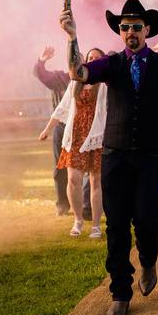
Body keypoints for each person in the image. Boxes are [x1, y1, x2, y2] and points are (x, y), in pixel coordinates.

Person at [61, 0, 158, 315]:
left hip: (149, 157)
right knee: (116, 226)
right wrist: (72, 37)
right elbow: (77, 72)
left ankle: (148, 261)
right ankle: (120, 291)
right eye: (124, 27)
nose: (130, 32)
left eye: (136, 26)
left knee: (147, 222)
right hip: (114, 157)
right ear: (119, 31)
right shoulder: (112, 64)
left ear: (147, 29)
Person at [38, 48, 107, 238]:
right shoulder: (75, 83)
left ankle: (96, 226)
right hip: (75, 136)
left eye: (97, 58)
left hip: (96, 137)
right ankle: (78, 220)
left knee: (96, 182)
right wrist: (47, 129)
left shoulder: (105, 85)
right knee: (73, 180)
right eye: (90, 57)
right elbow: (62, 107)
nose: (92, 60)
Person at [33, 46, 90, 218]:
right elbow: (40, 74)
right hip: (62, 126)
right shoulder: (59, 78)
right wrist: (41, 61)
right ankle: (63, 204)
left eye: (79, 58)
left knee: (86, 167)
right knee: (61, 166)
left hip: (83, 127)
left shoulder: (89, 79)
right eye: (73, 58)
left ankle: (86, 205)